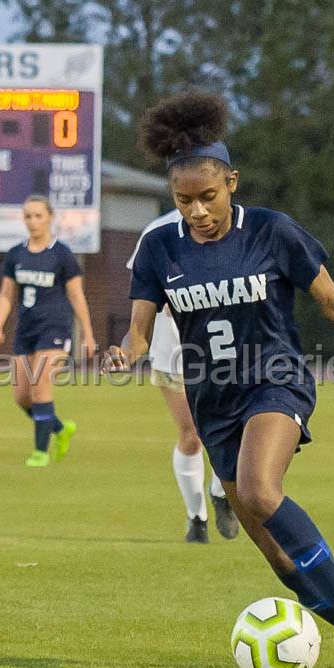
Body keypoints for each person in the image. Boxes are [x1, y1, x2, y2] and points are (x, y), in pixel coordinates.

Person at [106, 92, 334, 668]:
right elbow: (139, 330)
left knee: (259, 491)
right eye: (184, 201)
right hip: (213, 402)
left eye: (208, 196)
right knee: (271, 545)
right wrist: (123, 353)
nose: (198, 211)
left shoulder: (272, 232)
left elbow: (333, 303)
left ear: (232, 182)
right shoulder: (159, 248)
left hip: (275, 382)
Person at [127, 208, 239, 543]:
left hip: (226, 347)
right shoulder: (158, 233)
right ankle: (196, 517)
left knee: (235, 431)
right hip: (173, 349)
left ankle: (221, 492)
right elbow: (142, 289)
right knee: (191, 434)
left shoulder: (236, 227)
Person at [0, 195, 97, 467]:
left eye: (38, 215)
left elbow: (76, 296)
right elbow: (5, 294)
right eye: (28, 216)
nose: (33, 221)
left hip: (55, 329)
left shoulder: (61, 254)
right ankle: (60, 428)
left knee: (40, 387)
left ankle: (40, 452)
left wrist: (88, 333)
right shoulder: (16, 254)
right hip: (26, 331)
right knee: (22, 396)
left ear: (50, 217)